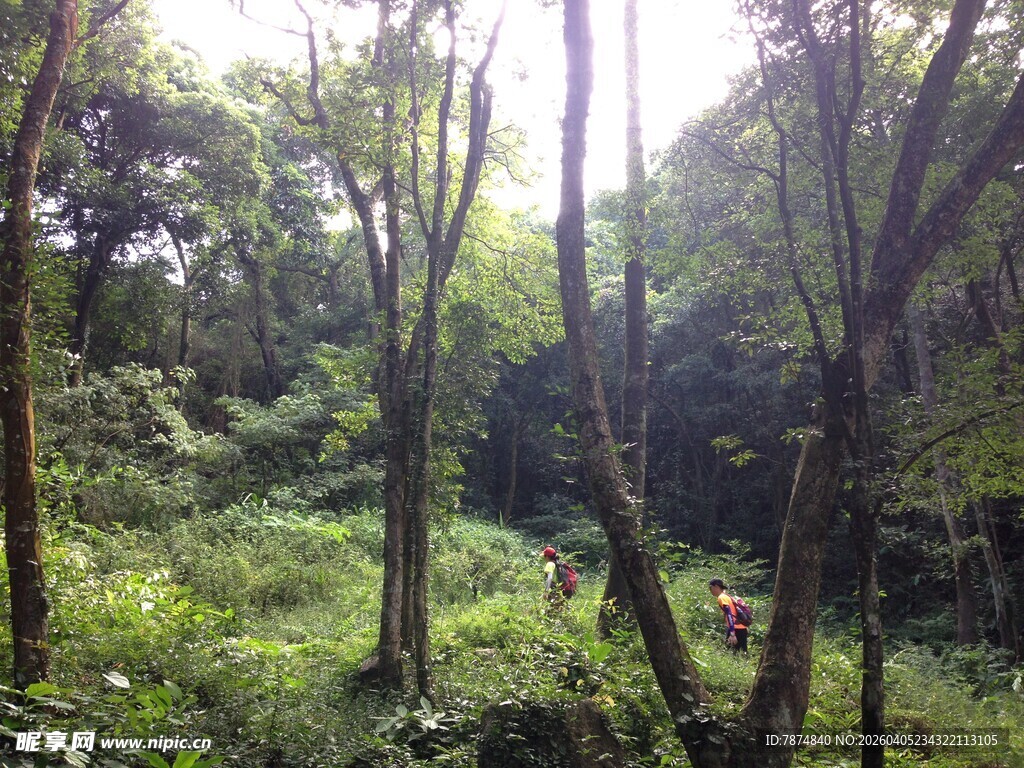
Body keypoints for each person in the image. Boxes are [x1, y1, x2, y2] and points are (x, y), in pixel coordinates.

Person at [709, 578, 748, 654]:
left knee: (731, 653)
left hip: (735, 628)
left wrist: (732, 633)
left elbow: (729, 614)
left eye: (711, 588)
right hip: (741, 627)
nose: (710, 590)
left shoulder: (721, 597)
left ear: (716, 586)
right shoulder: (727, 596)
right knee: (743, 652)